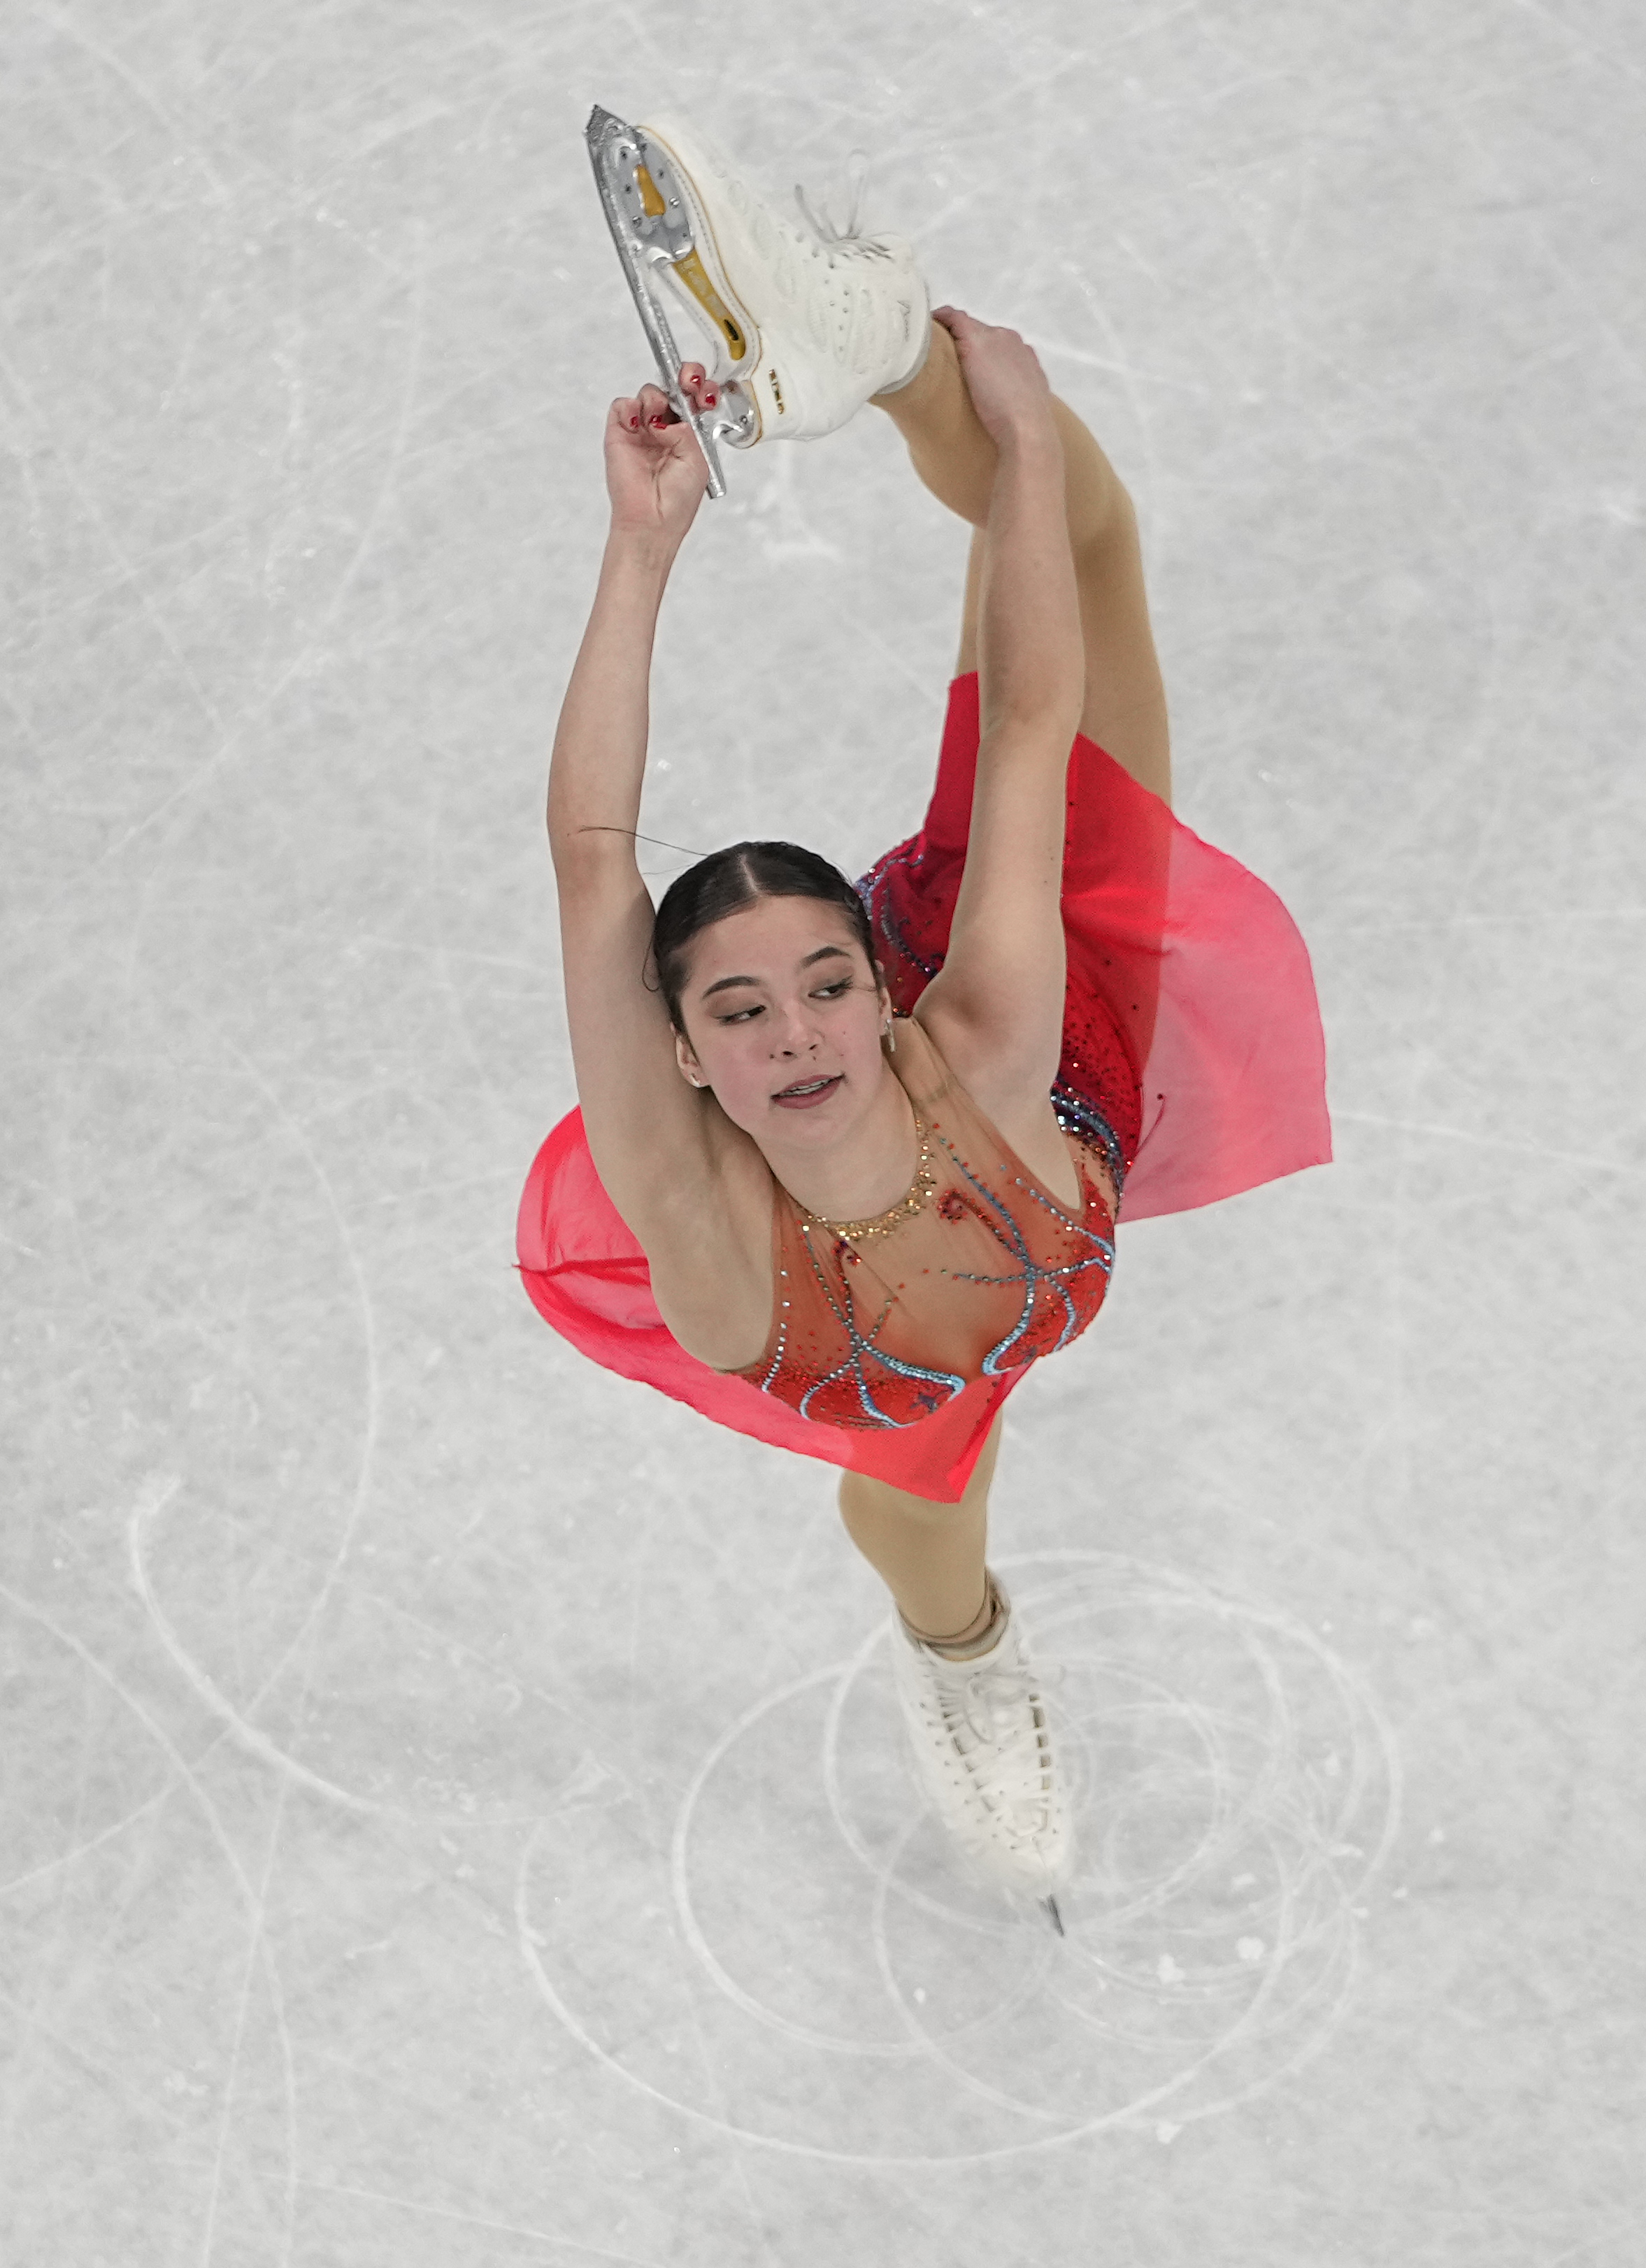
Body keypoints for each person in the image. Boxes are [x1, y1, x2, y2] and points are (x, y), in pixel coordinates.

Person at [523, 115, 1331, 1913]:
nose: (793, 1033)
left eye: (820, 985)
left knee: (1091, 529)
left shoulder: (976, 1033)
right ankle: (963, 1660)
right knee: (917, 1531)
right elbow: (596, 865)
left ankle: (874, 347)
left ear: (880, 983)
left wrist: (1025, 443)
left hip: (1063, 1057)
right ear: (682, 1059)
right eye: (737, 1012)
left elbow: (1030, 721)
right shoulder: (703, 1216)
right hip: (905, 1354)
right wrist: (638, 554)